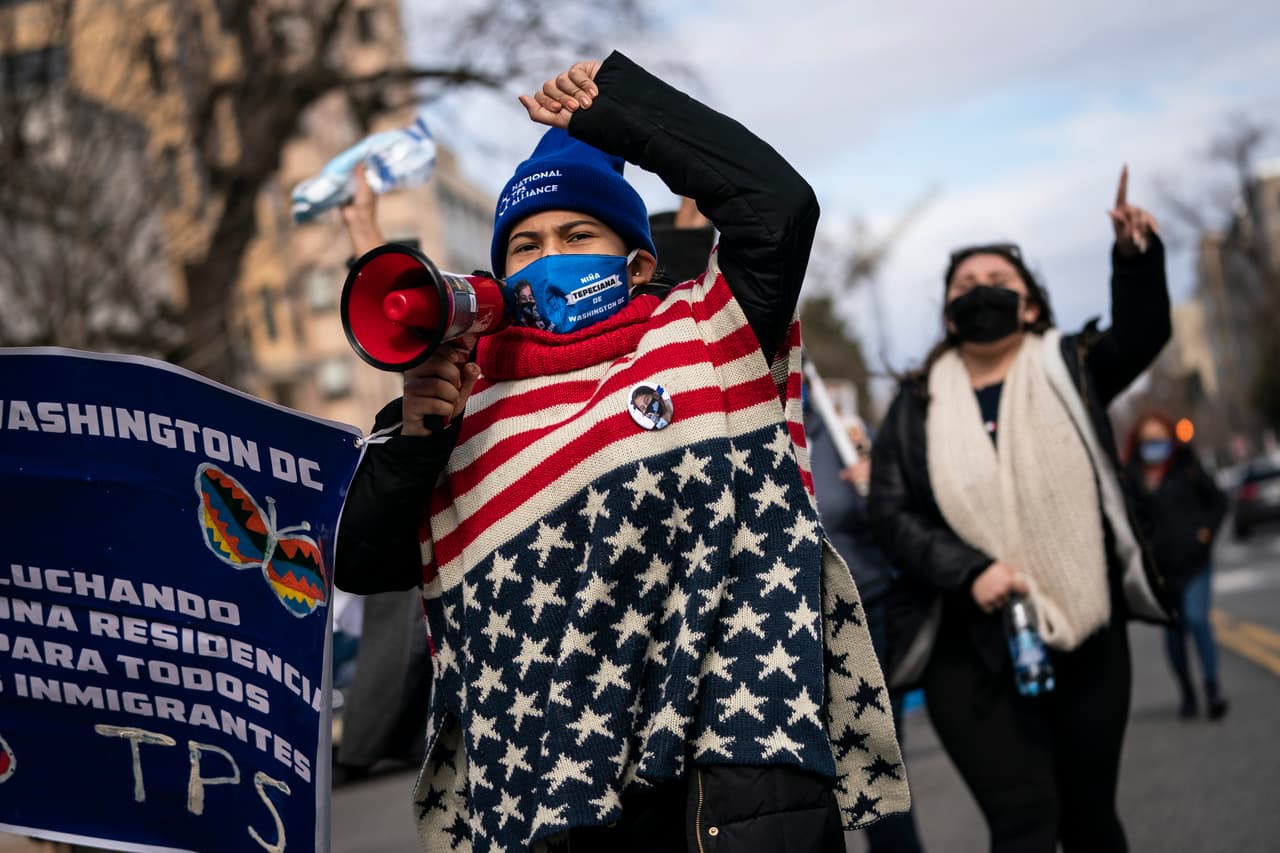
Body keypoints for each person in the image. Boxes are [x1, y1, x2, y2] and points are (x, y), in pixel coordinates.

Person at [335, 53, 908, 852]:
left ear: (638, 261)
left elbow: (778, 206)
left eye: (577, 234)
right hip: (557, 805)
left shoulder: (706, 331)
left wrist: (621, 113)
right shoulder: (465, 403)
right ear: (495, 276)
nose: (549, 256)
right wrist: (415, 443)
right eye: (524, 245)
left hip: (732, 780)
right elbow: (358, 559)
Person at [868, 167, 1174, 853]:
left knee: (1091, 820)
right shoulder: (915, 406)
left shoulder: (1074, 366)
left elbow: (1145, 330)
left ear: (1032, 305)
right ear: (949, 316)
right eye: (965, 287)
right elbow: (890, 513)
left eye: (998, 284)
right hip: (967, 649)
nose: (980, 294)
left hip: (1086, 632)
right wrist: (969, 568)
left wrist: (1135, 259)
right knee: (1024, 822)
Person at [803, 391, 925, 853]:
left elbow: (897, 517)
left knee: (878, 765)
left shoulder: (844, 434)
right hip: (793, 626)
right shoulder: (752, 431)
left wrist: (879, 487)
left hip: (867, 612)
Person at [1123, 411, 1229, 720]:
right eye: (1147, 441)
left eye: (1160, 439)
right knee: (1174, 635)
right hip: (1162, 572)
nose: (1154, 446)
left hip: (1195, 562)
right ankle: (1187, 691)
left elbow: (1218, 502)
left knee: (1197, 620)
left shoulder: (1187, 467)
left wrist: (1205, 533)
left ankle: (1212, 687)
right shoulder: (1131, 478)